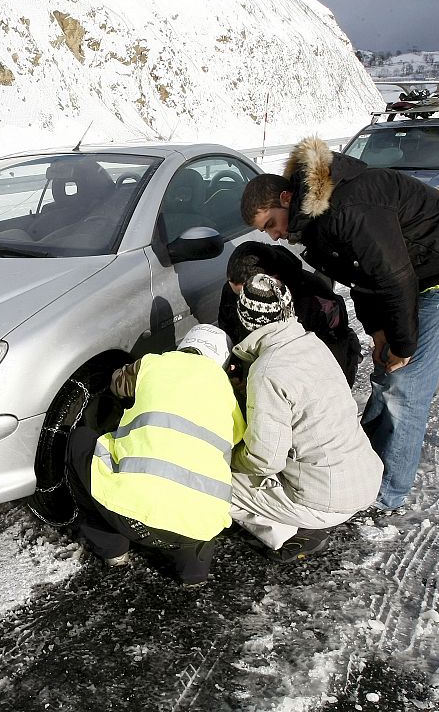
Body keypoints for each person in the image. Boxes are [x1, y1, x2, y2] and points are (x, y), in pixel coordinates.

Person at [239, 137, 439, 511]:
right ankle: (369, 464)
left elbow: (394, 277)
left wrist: (403, 345)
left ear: (287, 199)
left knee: (406, 385)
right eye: (267, 232)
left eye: (271, 224)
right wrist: (377, 333)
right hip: (413, 271)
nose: (274, 235)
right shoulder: (318, 221)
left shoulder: (350, 207)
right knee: (385, 371)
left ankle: (388, 491)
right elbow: (362, 277)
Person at [66, 324, 245, 585]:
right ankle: (193, 573)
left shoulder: (153, 364)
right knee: (204, 483)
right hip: (196, 528)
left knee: (79, 442)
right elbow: (235, 438)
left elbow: (117, 384)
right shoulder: (229, 395)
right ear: (224, 362)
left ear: (184, 346)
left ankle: (113, 548)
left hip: (127, 514)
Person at [229, 274, 383, 560]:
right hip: (364, 477)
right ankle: (302, 516)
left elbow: (265, 460)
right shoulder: (312, 345)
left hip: (325, 499)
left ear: (246, 320)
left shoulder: (268, 371)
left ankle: (289, 533)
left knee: (216, 481)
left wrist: (229, 459)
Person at [216, 241, 362, 386]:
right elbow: (228, 331)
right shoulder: (234, 289)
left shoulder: (317, 300)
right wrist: (237, 368)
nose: (242, 302)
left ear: (271, 281)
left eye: (244, 295)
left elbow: (332, 360)